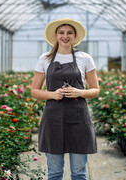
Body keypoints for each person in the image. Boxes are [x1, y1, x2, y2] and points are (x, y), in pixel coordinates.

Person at [31, 18, 99, 180]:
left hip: (78, 119)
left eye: (69, 33)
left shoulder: (85, 58)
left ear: (75, 36)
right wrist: (53, 94)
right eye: (61, 32)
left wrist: (79, 92)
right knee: (54, 173)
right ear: (56, 35)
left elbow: (95, 90)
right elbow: (34, 91)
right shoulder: (45, 59)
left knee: (79, 173)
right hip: (53, 119)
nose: (65, 36)